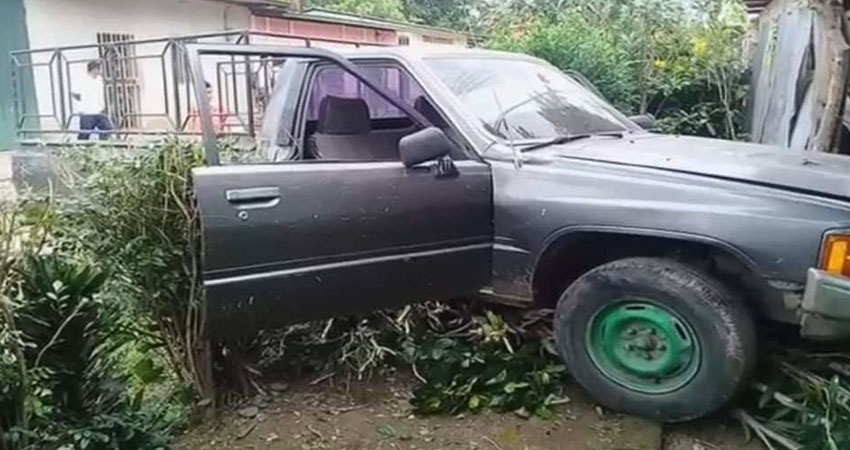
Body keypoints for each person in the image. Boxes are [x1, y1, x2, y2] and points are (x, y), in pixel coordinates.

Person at [74, 60, 113, 140]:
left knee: (107, 127)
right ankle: (80, 146)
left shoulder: (99, 79)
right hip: (87, 112)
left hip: (99, 111)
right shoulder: (83, 80)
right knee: (85, 134)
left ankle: (103, 144)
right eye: (99, 69)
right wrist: (84, 101)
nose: (100, 71)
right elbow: (74, 93)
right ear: (95, 69)